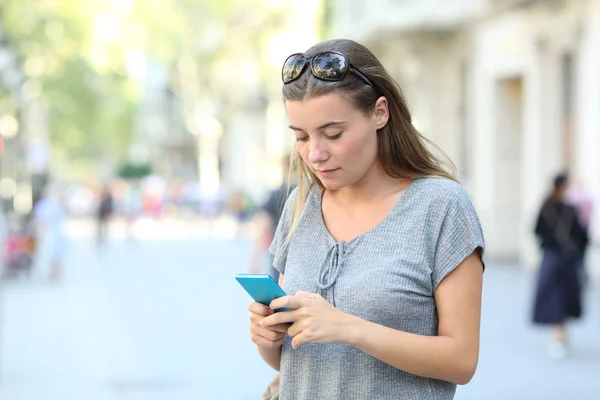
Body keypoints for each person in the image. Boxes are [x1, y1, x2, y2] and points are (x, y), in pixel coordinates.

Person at [247, 39, 485, 399]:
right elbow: (291, 362)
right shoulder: (302, 202)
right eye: (301, 137)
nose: (315, 154)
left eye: (333, 134)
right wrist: (268, 337)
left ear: (380, 113)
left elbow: (461, 359)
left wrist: (347, 328)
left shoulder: (441, 207)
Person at [532, 173, 588, 359]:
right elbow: (582, 236)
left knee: (555, 297)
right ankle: (559, 337)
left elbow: (536, 231)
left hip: (551, 258)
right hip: (566, 260)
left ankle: (559, 337)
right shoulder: (569, 209)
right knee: (562, 297)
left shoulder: (546, 207)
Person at [248, 155, 295, 282]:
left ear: (285, 168)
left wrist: (254, 259)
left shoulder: (276, 194)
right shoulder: (314, 194)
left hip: (279, 257)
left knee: (278, 299)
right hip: (305, 259)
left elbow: (262, 227)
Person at [33, 183, 67, 282]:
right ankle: (51, 274)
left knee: (57, 253)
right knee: (49, 254)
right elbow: (41, 220)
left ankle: (56, 273)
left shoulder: (57, 204)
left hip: (56, 232)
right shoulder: (44, 204)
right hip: (48, 233)